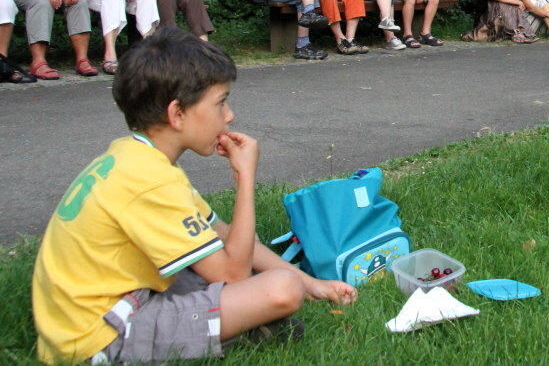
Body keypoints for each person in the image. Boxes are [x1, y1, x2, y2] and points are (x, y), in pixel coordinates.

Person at [31, 27, 357, 364]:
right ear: (177, 114)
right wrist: (245, 178)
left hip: (83, 318)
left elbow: (224, 235)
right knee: (280, 289)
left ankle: (235, 326)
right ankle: (231, 334)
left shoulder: (133, 157)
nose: (229, 115)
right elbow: (234, 273)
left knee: (231, 266)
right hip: (101, 339)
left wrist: (311, 284)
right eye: (220, 102)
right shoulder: (152, 180)